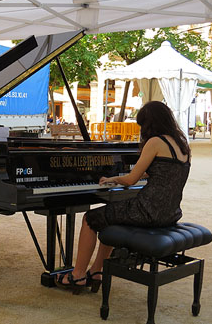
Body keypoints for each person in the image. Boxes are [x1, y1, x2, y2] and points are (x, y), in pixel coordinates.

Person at [56, 101, 191, 293]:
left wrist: (113, 178)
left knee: (90, 219)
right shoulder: (183, 144)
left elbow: (130, 179)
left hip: (147, 211)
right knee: (110, 217)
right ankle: (96, 272)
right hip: (170, 214)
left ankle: (77, 275)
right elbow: (165, 173)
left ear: (149, 123)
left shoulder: (155, 142)